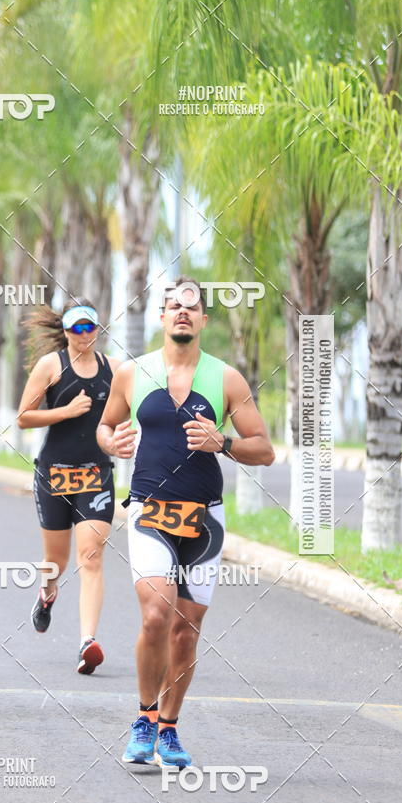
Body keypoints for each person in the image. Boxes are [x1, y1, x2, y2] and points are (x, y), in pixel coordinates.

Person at [97, 277, 275, 767]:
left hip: (205, 520)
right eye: (173, 306)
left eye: (190, 308)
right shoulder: (133, 374)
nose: (181, 313)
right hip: (150, 512)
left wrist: (225, 444)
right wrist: (111, 444)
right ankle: (144, 717)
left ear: (203, 321)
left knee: (186, 630)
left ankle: (170, 729)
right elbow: (106, 426)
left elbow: (265, 449)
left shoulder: (227, 379)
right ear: (161, 317)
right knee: (156, 615)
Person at [18, 298, 120, 674]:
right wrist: (66, 411)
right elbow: (24, 416)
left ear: (98, 329)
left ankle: (87, 643)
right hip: (54, 474)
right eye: (76, 328)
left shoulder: (115, 369)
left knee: (90, 557)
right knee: (56, 562)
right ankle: (46, 596)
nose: (83, 334)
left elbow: (134, 410)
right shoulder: (52, 366)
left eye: (89, 327)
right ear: (65, 331)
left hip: (96, 474)